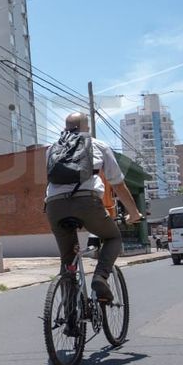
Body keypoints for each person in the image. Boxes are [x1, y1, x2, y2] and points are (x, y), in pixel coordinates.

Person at [45, 112, 142, 303]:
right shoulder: (99, 145)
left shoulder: (51, 150)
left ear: (65, 127)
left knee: (67, 261)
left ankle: (70, 319)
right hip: (87, 203)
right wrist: (134, 213)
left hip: (54, 205)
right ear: (86, 128)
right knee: (113, 237)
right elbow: (118, 185)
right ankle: (100, 277)